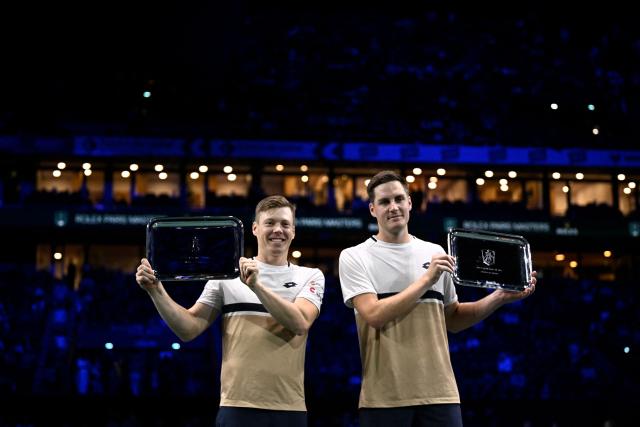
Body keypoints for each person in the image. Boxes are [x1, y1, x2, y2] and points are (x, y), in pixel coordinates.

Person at [338, 171, 537, 427]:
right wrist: (426, 279)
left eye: (399, 199)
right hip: (384, 399)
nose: (394, 207)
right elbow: (374, 315)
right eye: (385, 202)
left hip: (441, 396)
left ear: (410, 203)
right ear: (372, 209)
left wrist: (500, 296)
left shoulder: (434, 252)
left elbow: (452, 319)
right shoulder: (355, 257)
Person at [136, 195, 324, 427]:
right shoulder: (226, 276)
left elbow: (300, 323)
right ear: (255, 228)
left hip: (289, 410)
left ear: (293, 231)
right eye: (270, 223)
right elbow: (188, 329)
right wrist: (156, 291)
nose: (278, 230)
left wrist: (257, 286)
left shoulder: (310, 276)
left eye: (285, 224)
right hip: (236, 409)